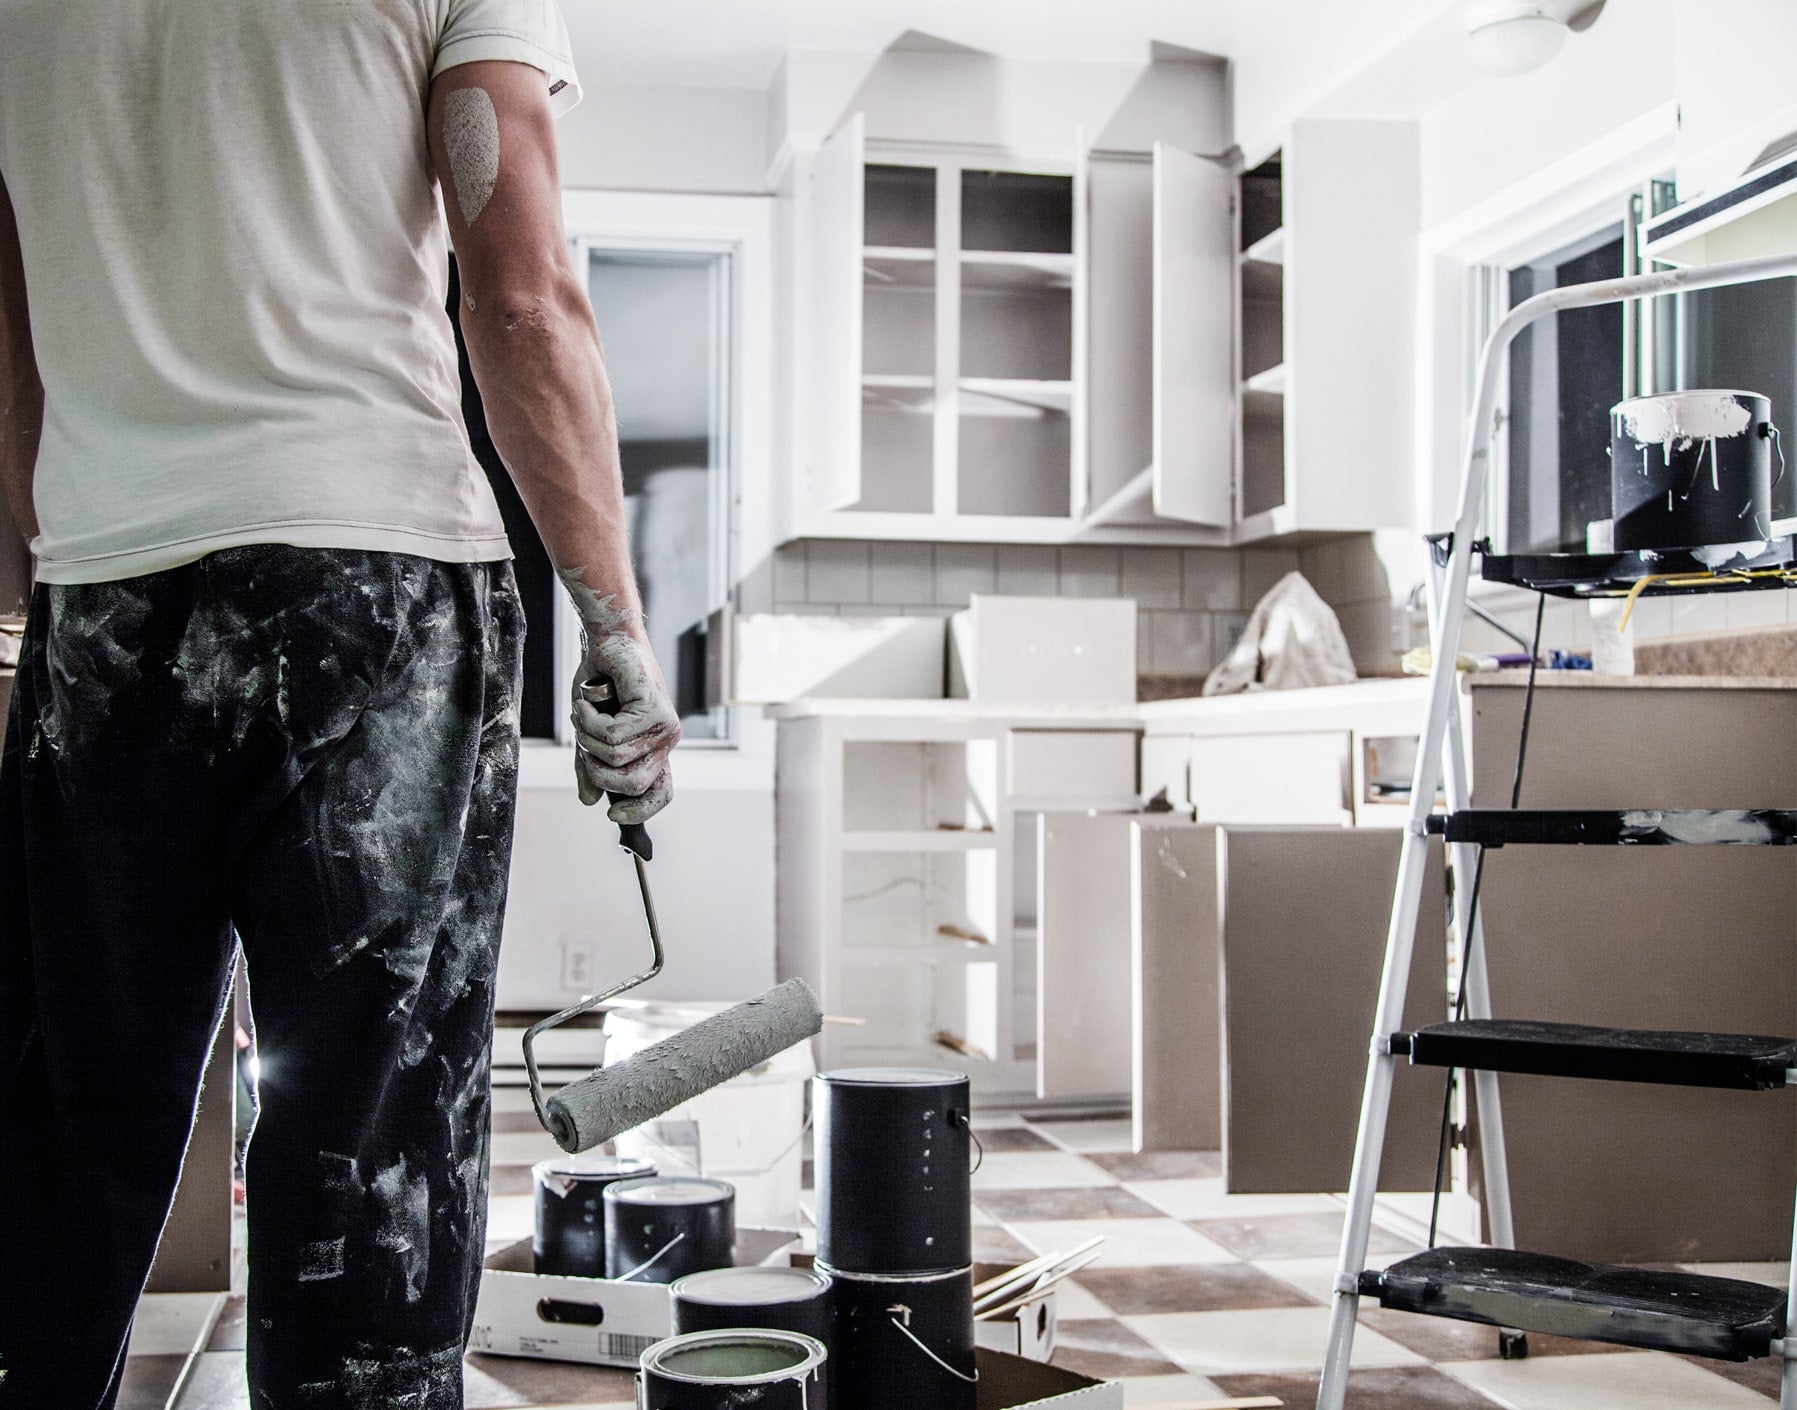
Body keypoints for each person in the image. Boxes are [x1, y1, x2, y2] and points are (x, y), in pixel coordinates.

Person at [0, 2, 680, 1406]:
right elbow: (520, 290)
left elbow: (10, 313)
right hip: (373, 590)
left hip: (103, 601)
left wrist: (52, 579)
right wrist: (609, 612)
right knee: (366, 1152)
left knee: (71, 1135)